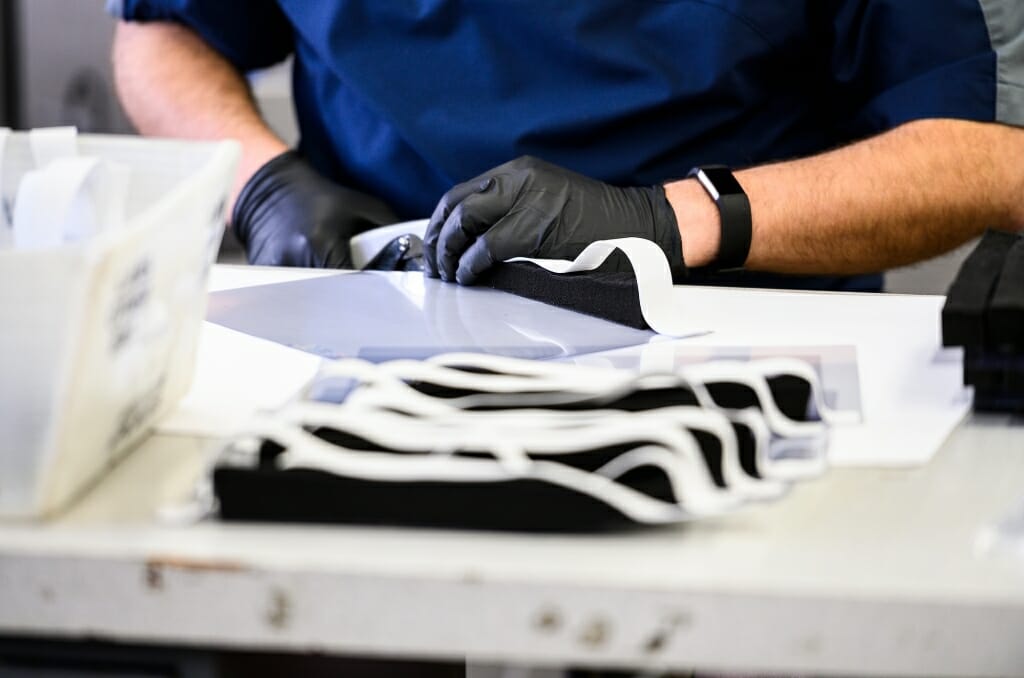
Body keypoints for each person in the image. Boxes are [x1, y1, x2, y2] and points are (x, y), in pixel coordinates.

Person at [108, 1, 1024, 293]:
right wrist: (259, 182)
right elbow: (161, 31)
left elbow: (991, 153)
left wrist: (665, 221)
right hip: (372, 306)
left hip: (741, 327)